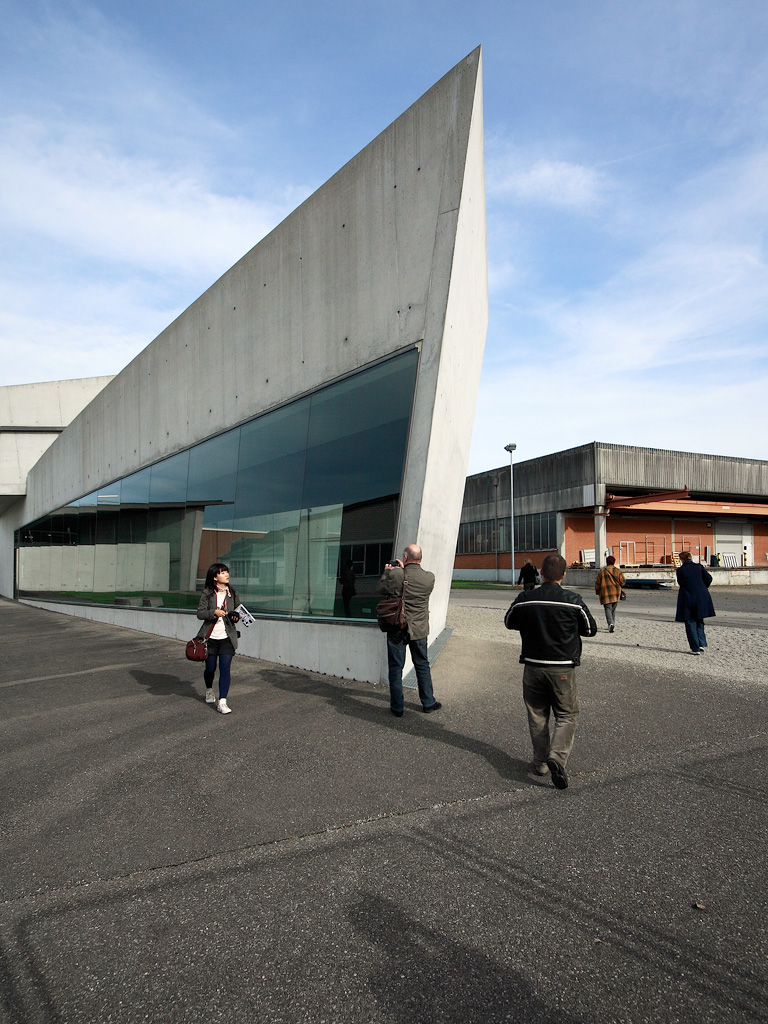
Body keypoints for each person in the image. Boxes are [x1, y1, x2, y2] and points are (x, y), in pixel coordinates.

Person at [504, 553, 597, 790]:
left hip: (533, 666)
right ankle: (557, 756)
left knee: (537, 716)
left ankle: (541, 763)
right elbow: (590, 629)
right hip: (562, 667)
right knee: (566, 715)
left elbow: (509, 621)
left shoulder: (526, 598)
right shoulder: (573, 600)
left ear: (541, 574)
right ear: (563, 575)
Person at [376, 544, 442, 717]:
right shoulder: (430, 577)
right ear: (420, 558)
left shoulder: (396, 574)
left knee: (396, 667)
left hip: (398, 626)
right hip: (419, 629)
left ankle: (397, 707)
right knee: (422, 664)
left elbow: (381, 589)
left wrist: (387, 572)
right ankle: (428, 702)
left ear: (405, 558)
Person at [196, 562, 241, 714]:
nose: (226, 575)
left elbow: (238, 611)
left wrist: (236, 617)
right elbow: (200, 613)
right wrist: (213, 612)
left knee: (225, 668)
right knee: (210, 668)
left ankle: (222, 701)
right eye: (222, 572)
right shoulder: (207, 593)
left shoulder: (233, 593)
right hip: (210, 638)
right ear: (215, 577)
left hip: (227, 637)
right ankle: (209, 689)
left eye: (227, 572)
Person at [675, 551, 715, 654]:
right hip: (701, 596)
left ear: (681, 559)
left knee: (690, 621)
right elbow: (709, 578)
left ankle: (695, 647)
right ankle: (701, 643)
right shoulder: (699, 567)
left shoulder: (680, 570)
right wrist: (702, 587)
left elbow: (681, 583)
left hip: (687, 597)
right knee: (699, 619)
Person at [594, 555, 626, 632]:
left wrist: (597, 591)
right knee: (613, 609)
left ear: (607, 562)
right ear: (614, 562)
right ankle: (612, 623)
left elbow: (597, 583)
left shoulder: (602, 571)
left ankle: (610, 624)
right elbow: (623, 582)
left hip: (605, 593)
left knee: (607, 608)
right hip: (616, 593)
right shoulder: (618, 571)